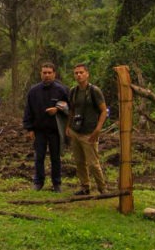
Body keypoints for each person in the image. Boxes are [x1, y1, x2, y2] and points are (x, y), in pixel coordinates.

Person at [23, 62, 70, 192]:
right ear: (40, 74)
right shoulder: (33, 91)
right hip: (39, 130)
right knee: (39, 157)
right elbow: (28, 110)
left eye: (49, 73)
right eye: (44, 73)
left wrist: (57, 109)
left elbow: (69, 107)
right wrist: (29, 128)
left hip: (55, 130)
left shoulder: (62, 90)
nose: (47, 75)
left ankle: (57, 183)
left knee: (56, 158)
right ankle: (38, 182)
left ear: (54, 74)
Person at [66, 63, 108, 195]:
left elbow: (103, 111)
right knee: (79, 162)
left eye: (81, 72)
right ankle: (85, 187)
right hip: (76, 130)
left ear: (87, 74)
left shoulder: (94, 91)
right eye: (76, 73)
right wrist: (68, 126)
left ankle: (103, 189)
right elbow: (72, 110)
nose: (79, 75)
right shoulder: (73, 91)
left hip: (89, 132)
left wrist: (98, 129)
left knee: (93, 163)